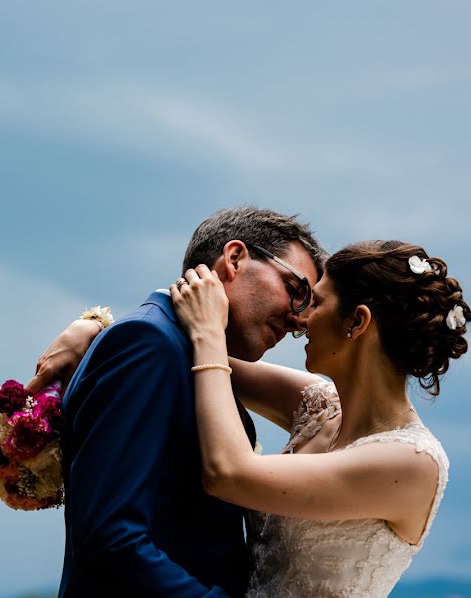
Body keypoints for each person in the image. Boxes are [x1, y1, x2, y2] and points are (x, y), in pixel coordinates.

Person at [35, 239, 471, 597]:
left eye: (314, 303)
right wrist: (96, 330)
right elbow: (172, 345)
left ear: (356, 323)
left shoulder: (411, 462)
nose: (299, 320)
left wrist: (207, 333)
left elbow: (228, 473)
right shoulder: (316, 404)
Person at [27, 206, 324, 597]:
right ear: (235, 259)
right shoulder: (149, 345)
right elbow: (109, 538)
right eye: (296, 291)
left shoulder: (189, 353)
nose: (300, 320)